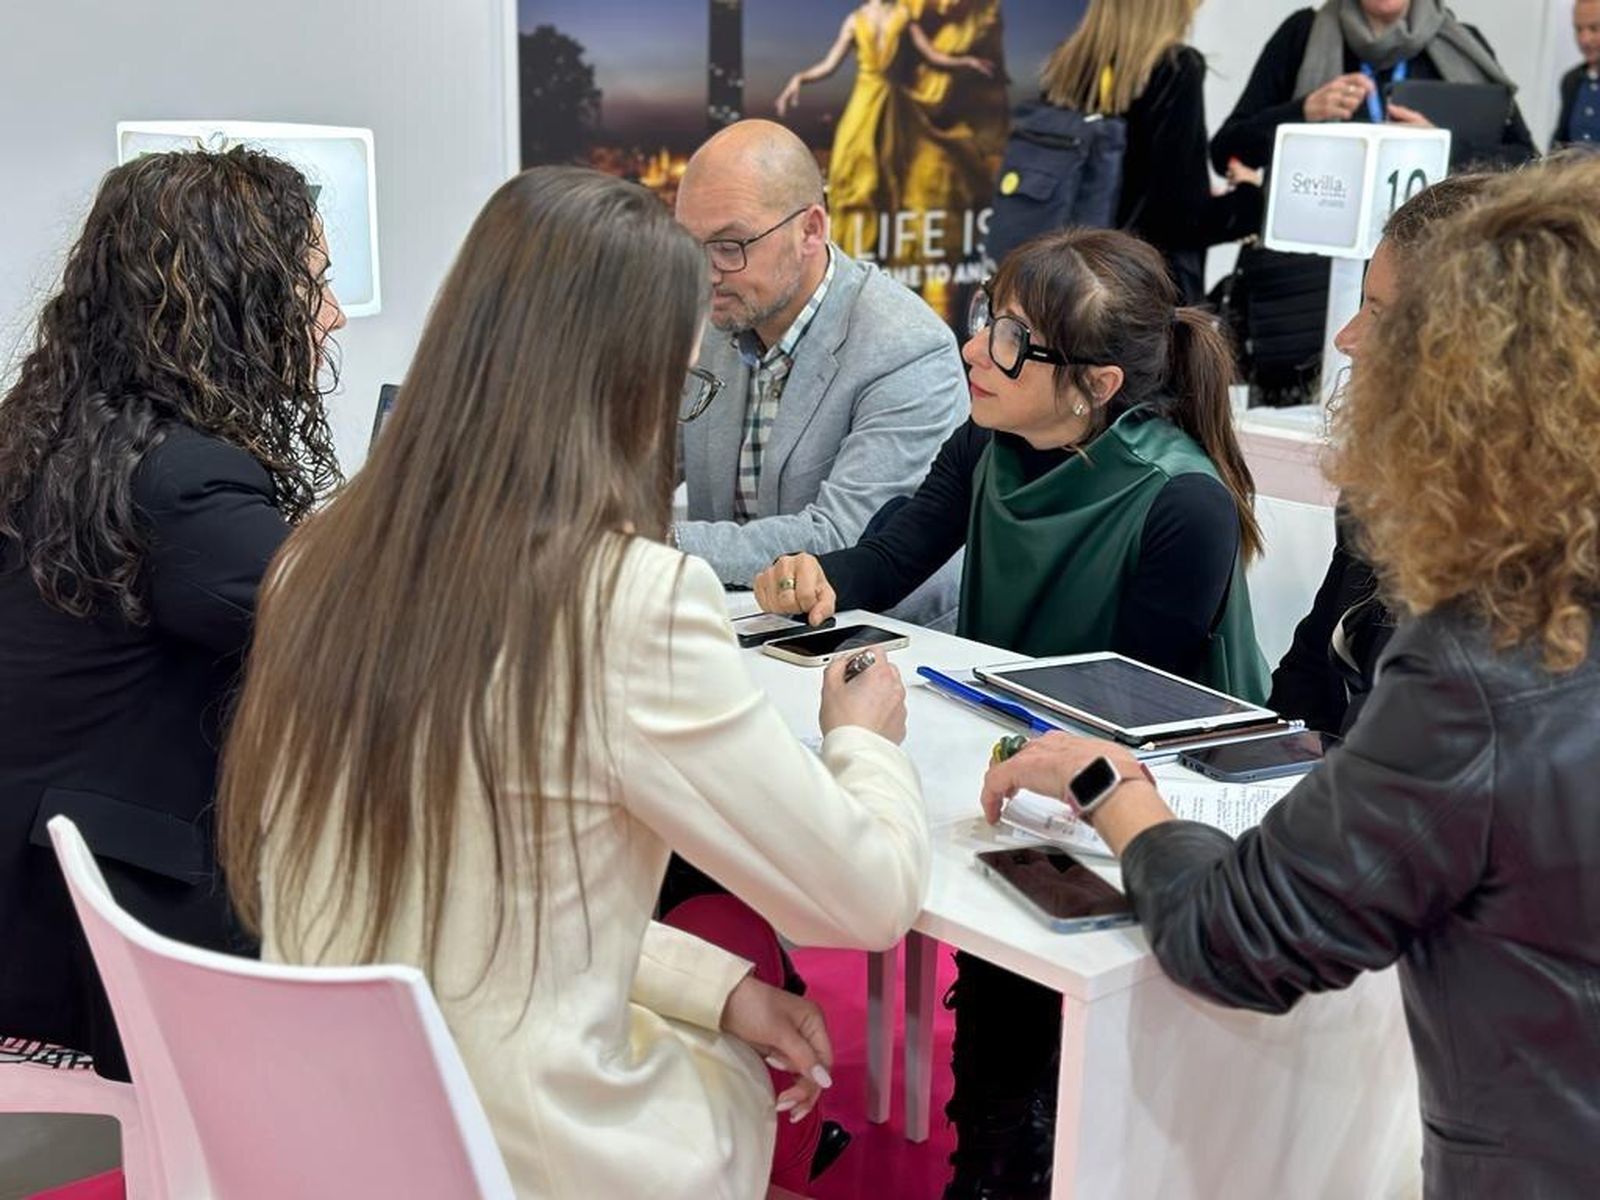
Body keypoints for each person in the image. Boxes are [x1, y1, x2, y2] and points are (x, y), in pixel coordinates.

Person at [218, 166, 932, 1199]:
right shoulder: (629, 600)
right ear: (631, 386)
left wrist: (715, 988)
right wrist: (862, 741)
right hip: (523, 1151)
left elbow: (462, 895)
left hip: (331, 1127)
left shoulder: (319, 559)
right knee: (736, 1088)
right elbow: (865, 899)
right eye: (681, 384)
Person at [980, 155, 1600, 1200]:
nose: (1348, 343)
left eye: (1381, 318)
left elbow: (1233, 937)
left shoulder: (1481, 664)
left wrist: (1111, 790)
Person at [753, 227, 1270, 1199]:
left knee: (1032, 1040)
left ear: (1098, 383)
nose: (971, 348)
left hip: (1149, 808)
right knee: (995, 1023)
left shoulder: (1177, 500)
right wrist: (818, 577)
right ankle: (991, 1154)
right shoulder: (990, 439)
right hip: (1029, 768)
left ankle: (1012, 1158)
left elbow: (1135, 704)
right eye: (987, 321)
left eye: (1008, 339)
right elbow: (894, 553)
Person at [0, 148, 343, 1081]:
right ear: (240, 305)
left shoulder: (63, 437)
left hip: (37, 899)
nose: (333, 314)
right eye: (313, 283)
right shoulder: (184, 480)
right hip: (112, 920)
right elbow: (354, 642)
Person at [672, 118, 969, 628]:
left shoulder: (907, 348)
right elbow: (641, 465)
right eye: (688, 245)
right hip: (739, 627)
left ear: (811, 229)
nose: (706, 271)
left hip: (879, 645)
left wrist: (661, 544)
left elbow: (844, 540)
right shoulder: (718, 316)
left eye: (730, 245)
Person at [1212, 0, 1536, 403]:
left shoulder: (1461, 42)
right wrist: (1302, 111)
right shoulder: (1302, 34)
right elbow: (1226, 149)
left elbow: (1526, 162)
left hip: (1419, 280)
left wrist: (1444, 143)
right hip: (1305, 290)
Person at [1267, 173, 1493, 735]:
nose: (1346, 337)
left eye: (1380, 314)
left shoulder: (1520, 555)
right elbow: (1304, 687)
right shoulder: (1381, 485)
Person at [1033, 0, 1266, 304]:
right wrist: (1249, 199)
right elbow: (1181, 219)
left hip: (1067, 280)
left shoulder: (1067, 66)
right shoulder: (1175, 69)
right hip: (1142, 293)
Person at [775, 0, 996, 265]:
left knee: (888, 177)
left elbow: (932, 56)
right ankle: (846, 254)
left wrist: (966, 61)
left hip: (891, 106)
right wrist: (799, 78)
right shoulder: (856, 20)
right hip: (863, 105)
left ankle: (879, 255)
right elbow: (829, 65)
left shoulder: (903, 15)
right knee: (852, 175)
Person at [1553, 0, 1600, 148]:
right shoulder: (1571, 80)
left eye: (1594, 28)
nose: (1584, 39)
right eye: (1578, 29)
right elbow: (1560, 142)